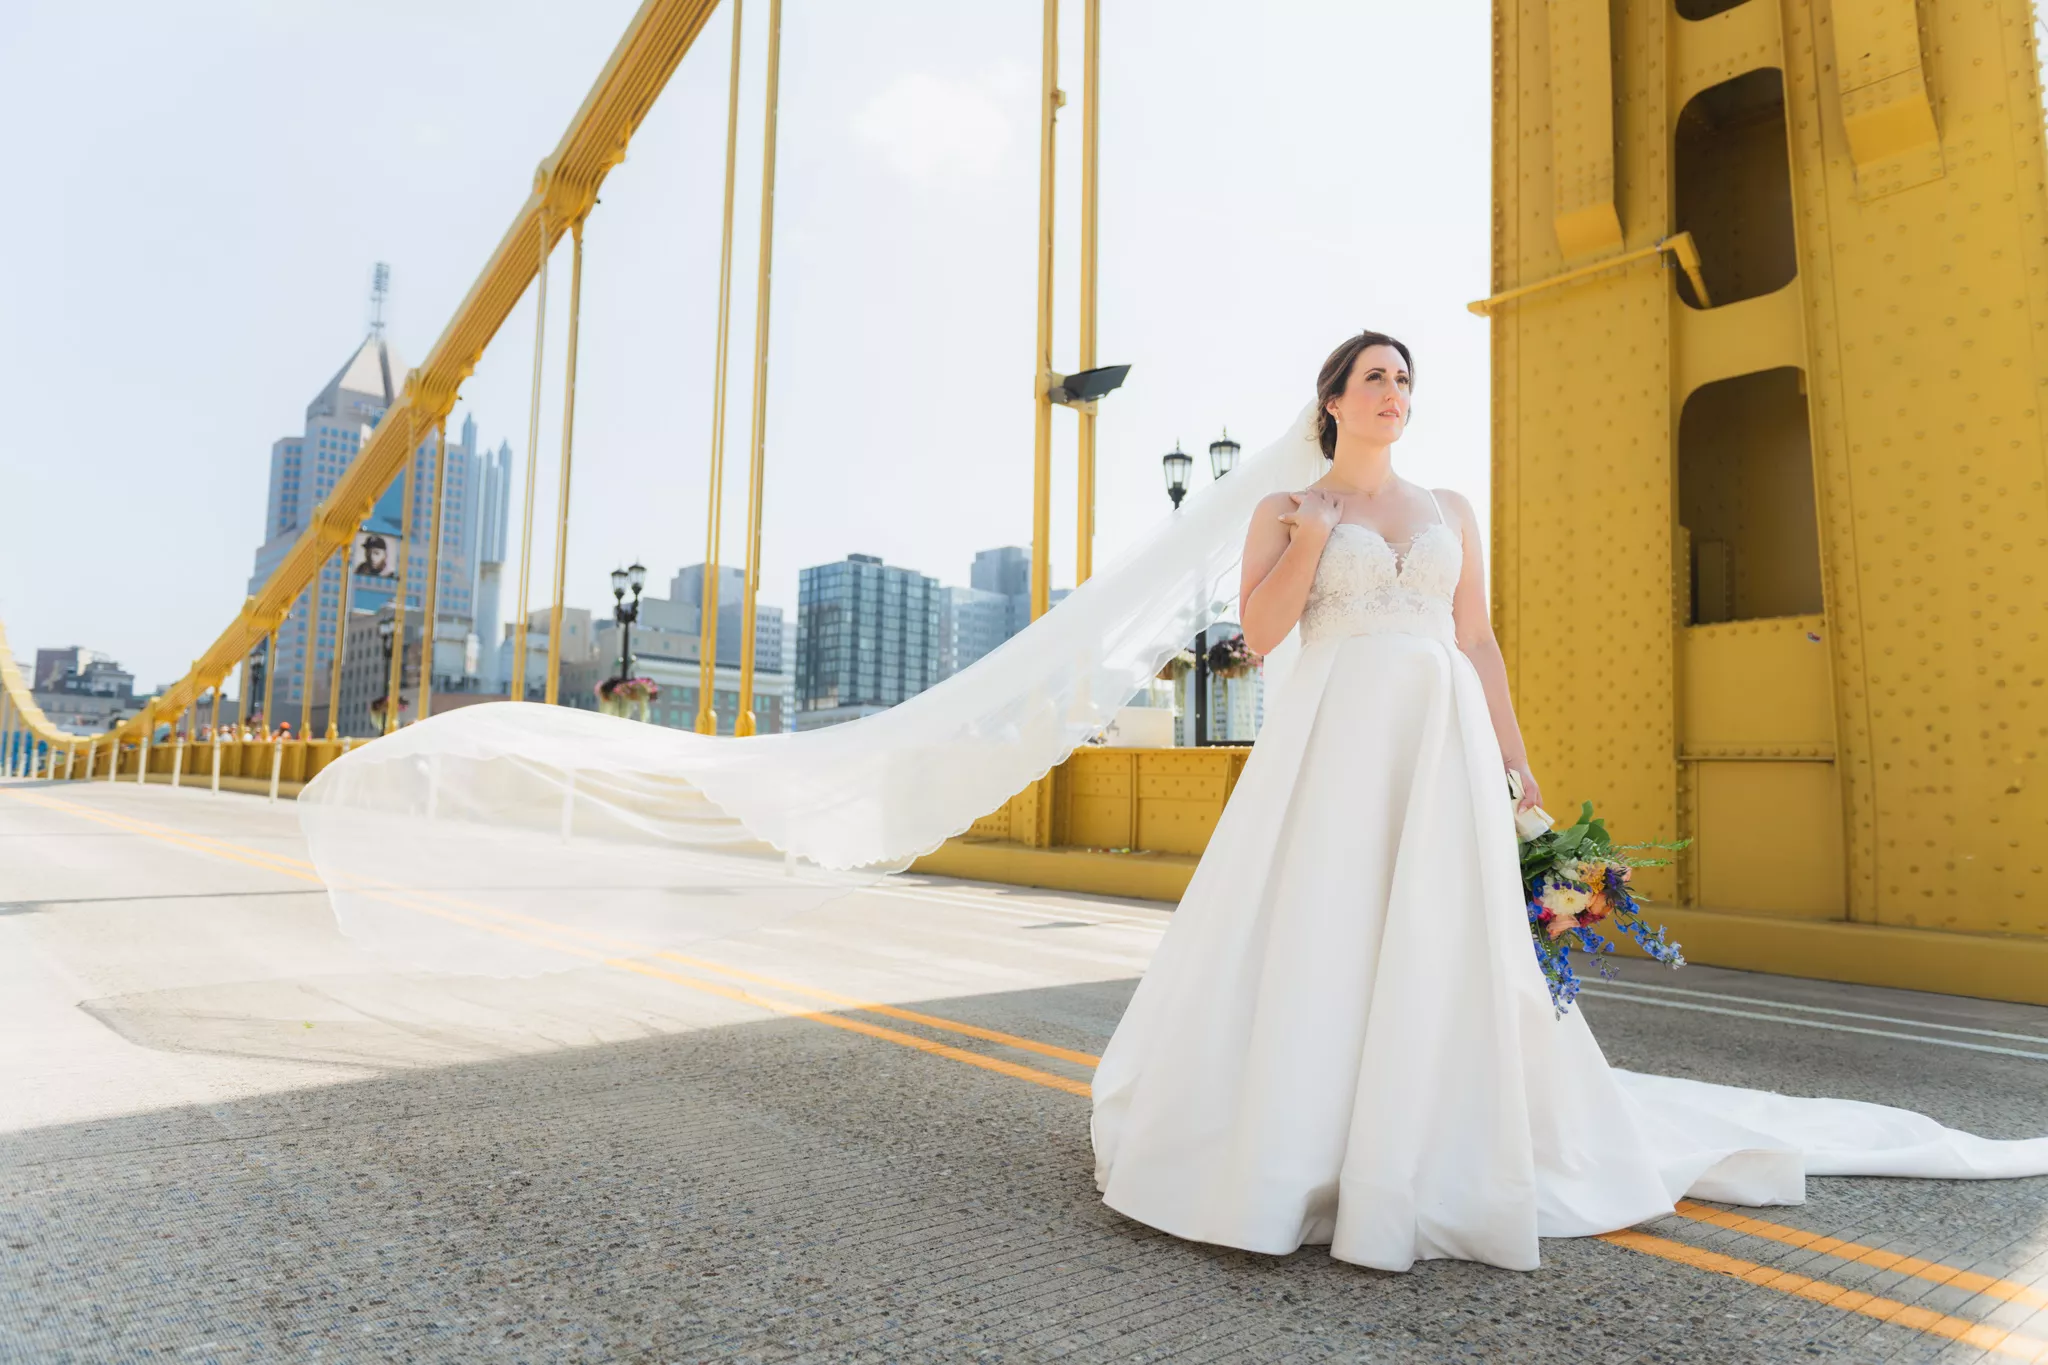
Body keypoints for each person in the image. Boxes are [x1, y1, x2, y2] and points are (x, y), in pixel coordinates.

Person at [297, 330, 2048, 1274]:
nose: (1393, 400)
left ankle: (1430, 1140)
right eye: (1372, 384)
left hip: (1435, 739)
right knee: (1312, 939)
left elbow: (1479, 639)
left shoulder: (1447, 499)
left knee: (1446, 953)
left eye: (1406, 385)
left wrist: (1516, 759)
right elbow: (1271, 642)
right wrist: (1279, 544)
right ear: (1327, 403)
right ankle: (1295, 1152)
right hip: (1334, 736)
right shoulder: (1290, 512)